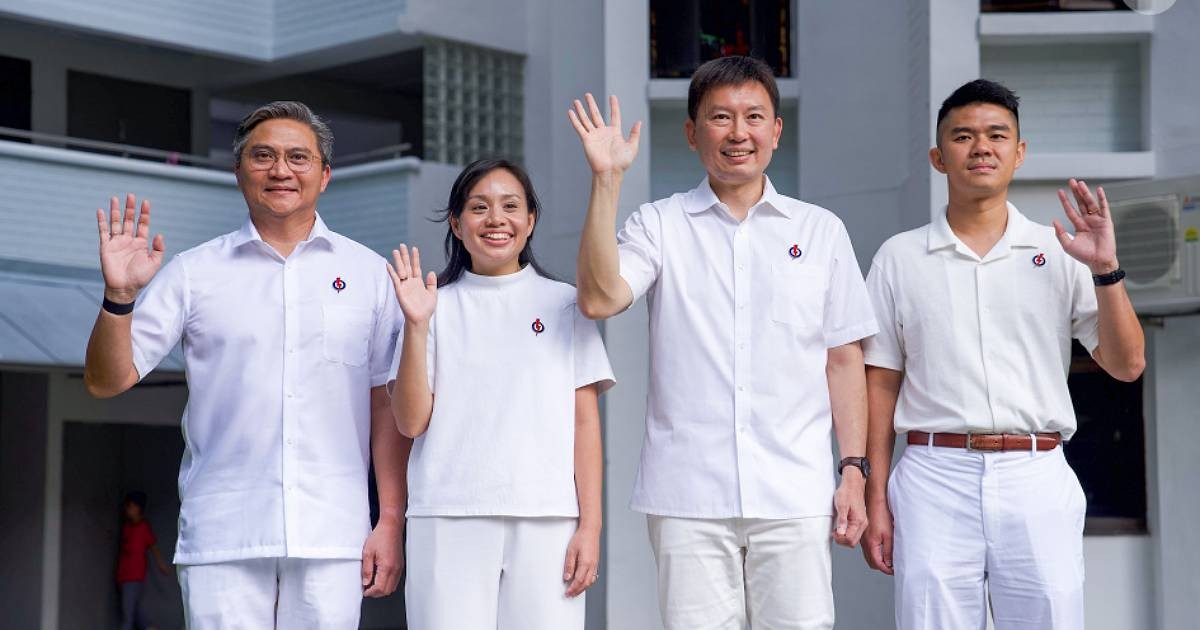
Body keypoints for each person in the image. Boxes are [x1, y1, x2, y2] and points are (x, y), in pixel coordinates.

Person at [570, 55, 878, 629]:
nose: (739, 133)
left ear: (776, 131)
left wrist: (854, 472)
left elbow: (843, 360)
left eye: (754, 116)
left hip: (793, 490)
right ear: (691, 133)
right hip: (688, 494)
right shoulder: (658, 224)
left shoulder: (819, 231)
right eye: (720, 118)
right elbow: (599, 298)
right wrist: (606, 182)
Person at [83, 101, 409, 629]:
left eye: (298, 157)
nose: (281, 170)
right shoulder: (194, 273)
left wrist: (390, 518)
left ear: (324, 176)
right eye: (263, 156)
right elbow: (105, 379)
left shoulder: (370, 275)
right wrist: (119, 297)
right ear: (239, 172)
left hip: (333, 531)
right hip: (223, 531)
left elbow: (385, 407)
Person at [859, 79, 1145, 629]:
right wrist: (876, 496)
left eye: (996, 135)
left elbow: (1126, 363)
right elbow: (879, 383)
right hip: (932, 473)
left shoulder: (1060, 252)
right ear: (939, 158)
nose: (981, 147)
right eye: (963, 136)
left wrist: (1105, 268)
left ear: (1020, 153)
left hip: (1036, 471)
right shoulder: (899, 258)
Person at [388, 158, 614, 630]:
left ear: (530, 220)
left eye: (511, 206)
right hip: (447, 514)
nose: (496, 219)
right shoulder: (431, 306)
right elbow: (410, 423)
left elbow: (584, 423)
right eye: (479, 207)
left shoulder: (565, 303)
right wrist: (416, 326)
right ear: (456, 221)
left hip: (548, 518)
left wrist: (590, 526)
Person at [116, 491, 170, 630]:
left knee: (127, 614)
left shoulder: (144, 527)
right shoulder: (127, 527)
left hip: (135, 576)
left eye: (130, 506)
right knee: (134, 610)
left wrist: (162, 565)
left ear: (137, 508)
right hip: (124, 575)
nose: (127, 509)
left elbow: (154, 548)